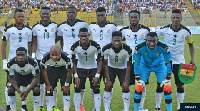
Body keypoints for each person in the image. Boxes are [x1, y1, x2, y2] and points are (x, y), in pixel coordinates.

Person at [157, 9, 195, 111]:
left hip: (180, 63)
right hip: (165, 62)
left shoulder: (186, 31)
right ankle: (158, 107)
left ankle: (179, 107)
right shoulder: (164, 29)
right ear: (171, 18)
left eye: (177, 17)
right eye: (173, 17)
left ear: (181, 19)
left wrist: (192, 59)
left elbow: (191, 45)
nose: (175, 19)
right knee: (161, 84)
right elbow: (152, 39)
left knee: (180, 85)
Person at [57, 6, 88, 111]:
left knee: (79, 82)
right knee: (66, 81)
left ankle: (80, 103)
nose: (71, 14)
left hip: (80, 57)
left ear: (76, 13)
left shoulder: (83, 24)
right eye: (69, 12)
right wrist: (63, 51)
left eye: (73, 12)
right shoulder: (61, 26)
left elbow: (86, 38)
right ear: (67, 13)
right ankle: (68, 104)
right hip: (66, 57)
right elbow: (60, 39)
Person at [1, 9, 32, 111]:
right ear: (14, 17)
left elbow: (30, 46)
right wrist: (4, 61)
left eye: (22, 16)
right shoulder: (8, 30)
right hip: (12, 62)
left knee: (24, 84)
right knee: (9, 84)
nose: (21, 18)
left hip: (25, 62)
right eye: (19, 16)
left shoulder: (28, 30)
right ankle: (9, 106)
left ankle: (24, 106)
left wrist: (32, 58)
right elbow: (4, 46)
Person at [133, 32, 173, 111]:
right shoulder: (139, 47)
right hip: (144, 66)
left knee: (167, 87)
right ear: (145, 40)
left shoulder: (163, 46)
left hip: (160, 65)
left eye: (154, 41)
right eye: (149, 41)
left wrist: (168, 77)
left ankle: (167, 109)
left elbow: (169, 60)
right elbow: (136, 61)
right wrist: (137, 77)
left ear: (157, 40)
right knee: (139, 87)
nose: (151, 44)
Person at [88, 7, 118, 108]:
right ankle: (95, 106)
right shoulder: (91, 26)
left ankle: (107, 106)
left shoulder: (112, 26)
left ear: (106, 15)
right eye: (99, 15)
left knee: (108, 83)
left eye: (102, 15)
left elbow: (118, 39)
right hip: (95, 59)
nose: (100, 17)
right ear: (96, 16)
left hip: (108, 60)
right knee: (94, 83)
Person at [120, 10, 150, 111]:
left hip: (141, 62)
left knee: (141, 84)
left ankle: (140, 107)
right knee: (126, 84)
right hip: (127, 62)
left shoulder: (146, 30)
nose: (133, 19)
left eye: (135, 17)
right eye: (131, 17)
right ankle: (126, 108)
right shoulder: (123, 30)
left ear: (139, 18)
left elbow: (150, 45)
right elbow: (118, 42)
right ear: (129, 18)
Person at [32, 6, 58, 110]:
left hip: (52, 58)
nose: (45, 15)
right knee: (41, 83)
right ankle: (41, 105)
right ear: (40, 15)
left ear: (50, 15)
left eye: (47, 14)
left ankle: (53, 105)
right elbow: (34, 42)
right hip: (39, 58)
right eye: (43, 14)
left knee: (53, 83)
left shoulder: (55, 26)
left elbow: (58, 37)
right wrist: (33, 56)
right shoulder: (35, 27)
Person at [70, 28, 102, 111]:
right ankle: (78, 109)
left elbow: (100, 60)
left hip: (93, 68)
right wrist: (76, 75)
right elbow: (73, 61)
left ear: (89, 36)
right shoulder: (74, 47)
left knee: (96, 89)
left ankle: (97, 109)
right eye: (81, 36)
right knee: (77, 89)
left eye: (85, 36)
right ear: (78, 36)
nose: (84, 38)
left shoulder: (96, 46)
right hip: (81, 68)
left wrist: (97, 75)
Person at [102, 31, 132, 111]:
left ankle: (126, 109)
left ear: (122, 40)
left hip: (123, 69)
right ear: (111, 40)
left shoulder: (127, 49)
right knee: (107, 87)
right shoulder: (106, 48)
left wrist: (126, 80)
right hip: (111, 68)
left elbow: (129, 65)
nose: (116, 43)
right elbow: (105, 64)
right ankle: (107, 109)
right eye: (114, 40)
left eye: (118, 40)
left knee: (126, 88)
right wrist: (108, 80)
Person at [41, 45, 73, 111]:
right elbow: (44, 71)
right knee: (49, 90)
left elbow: (70, 71)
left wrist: (66, 85)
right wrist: (47, 84)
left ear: (60, 54)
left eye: (56, 55)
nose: (54, 57)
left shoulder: (67, 58)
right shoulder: (44, 58)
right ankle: (49, 109)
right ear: (49, 53)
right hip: (52, 68)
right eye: (52, 55)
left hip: (63, 69)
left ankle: (66, 109)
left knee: (66, 90)